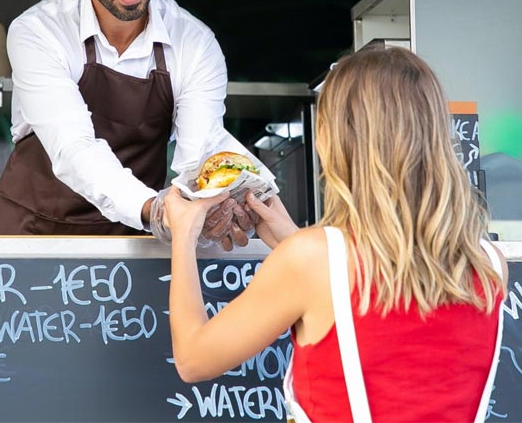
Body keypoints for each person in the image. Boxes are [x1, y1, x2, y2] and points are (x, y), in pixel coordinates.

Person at [164, 47, 508, 422]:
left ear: (338, 140)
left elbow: (193, 360)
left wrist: (183, 234)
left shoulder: (310, 261)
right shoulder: (489, 264)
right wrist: (293, 237)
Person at [0, 0, 254, 246]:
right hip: (28, 239)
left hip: (129, 246)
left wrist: (211, 206)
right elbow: (73, 147)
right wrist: (153, 210)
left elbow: (198, 155)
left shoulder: (195, 43)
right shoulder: (38, 31)